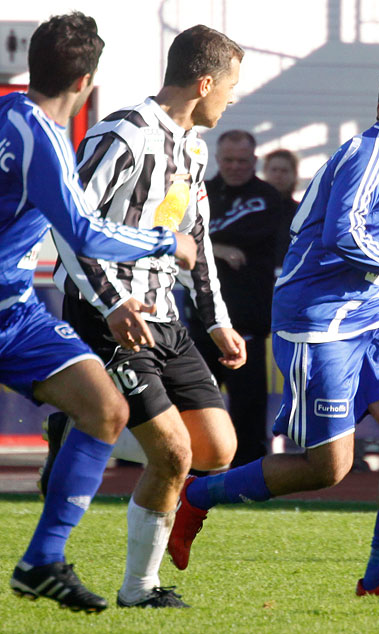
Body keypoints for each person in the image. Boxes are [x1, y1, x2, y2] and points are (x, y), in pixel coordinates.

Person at [168, 68, 379, 597]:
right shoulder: (369, 154)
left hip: (367, 315)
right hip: (318, 322)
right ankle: (198, 495)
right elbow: (345, 236)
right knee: (326, 468)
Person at [2, 12, 196, 612]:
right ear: (86, 79)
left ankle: (42, 561)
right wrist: (170, 242)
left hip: (16, 311)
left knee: (105, 409)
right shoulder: (43, 138)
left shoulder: (6, 113)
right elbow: (84, 232)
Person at [48, 25, 247, 608]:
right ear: (205, 82)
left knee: (215, 449)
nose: (232, 98)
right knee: (173, 454)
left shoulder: (193, 145)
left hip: (166, 319)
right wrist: (111, 302)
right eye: (230, 86)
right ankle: (141, 590)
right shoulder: (125, 133)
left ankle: (88, 426)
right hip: (106, 313)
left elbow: (198, 238)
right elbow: (68, 223)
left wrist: (214, 320)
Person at [186, 130, 282, 467]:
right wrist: (218, 249)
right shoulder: (200, 192)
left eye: (242, 160)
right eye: (228, 159)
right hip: (200, 325)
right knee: (194, 413)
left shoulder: (270, 199)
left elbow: (274, 245)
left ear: (254, 160)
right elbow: (173, 239)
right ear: (217, 158)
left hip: (248, 329)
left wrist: (209, 243)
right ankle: (193, 482)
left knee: (249, 419)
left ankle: (249, 486)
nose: (235, 166)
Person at [262, 148, 300, 267]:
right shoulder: (253, 210)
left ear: (294, 174)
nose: (278, 175)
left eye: (284, 171)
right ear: (265, 172)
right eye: (274, 170)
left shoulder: (301, 212)